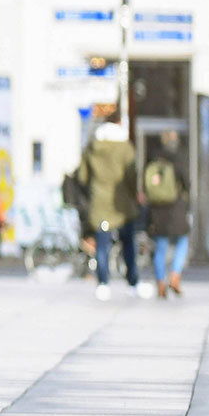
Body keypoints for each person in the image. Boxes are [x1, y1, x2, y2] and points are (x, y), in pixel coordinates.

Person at [74, 120, 139, 299]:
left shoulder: (92, 148)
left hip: (100, 206)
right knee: (128, 245)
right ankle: (133, 282)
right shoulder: (125, 148)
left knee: (102, 246)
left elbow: (82, 176)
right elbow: (133, 175)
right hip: (123, 206)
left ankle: (103, 283)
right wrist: (133, 195)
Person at [144, 132, 192, 296]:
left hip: (157, 209)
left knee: (160, 247)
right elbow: (187, 184)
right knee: (183, 241)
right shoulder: (178, 159)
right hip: (176, 207)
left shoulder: (152, 160)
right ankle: (175, 276)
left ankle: (160, 283)